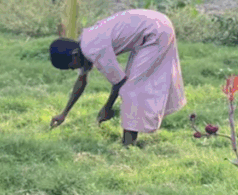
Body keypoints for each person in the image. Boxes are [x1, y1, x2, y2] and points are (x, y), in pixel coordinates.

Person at [48, 10, 186, 147]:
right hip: (156, 24)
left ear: (74, 55)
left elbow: (120, 82)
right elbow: (81, 81)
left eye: (71, 67)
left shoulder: (95, 49)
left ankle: (128, 146)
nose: (74, 69)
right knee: (133, 87)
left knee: (131, 91)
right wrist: (64, 114)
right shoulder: (84, 43)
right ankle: (129, 142)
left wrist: (107, 108)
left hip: (155, 31)